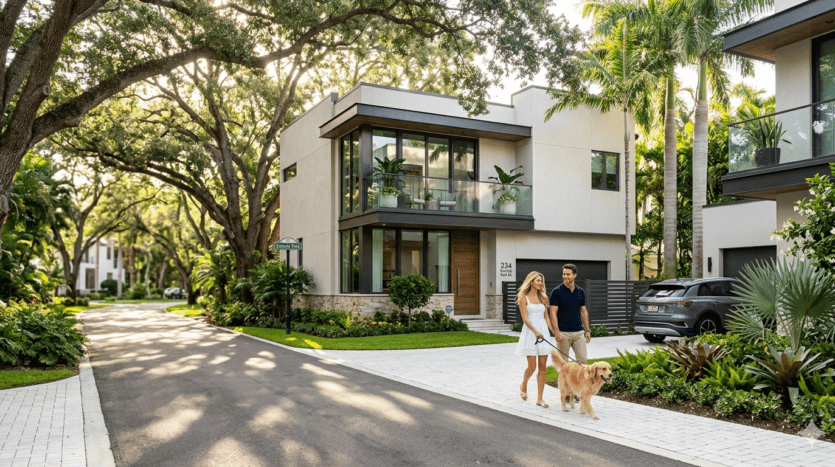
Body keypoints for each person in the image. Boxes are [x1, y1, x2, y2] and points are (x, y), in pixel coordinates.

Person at [514, 271, 557, 408]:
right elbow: (525, 319)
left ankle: (540, 399)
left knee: (543, 367)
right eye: (538, 280)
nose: (541, 283)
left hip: (543, 333)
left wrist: (554, 332)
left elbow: (546, 318)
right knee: (532, 367)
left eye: (541, 281)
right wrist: (535, 331)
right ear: (531, 281)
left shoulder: (543, 298)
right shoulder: (523, 298)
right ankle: (524, 384)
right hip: (530, 333)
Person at [550, 264, 591, 366]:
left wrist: (587, 330)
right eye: (564, 274)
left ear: (574, 275)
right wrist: (557, 333)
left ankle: (578, 382)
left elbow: (584, 311)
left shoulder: (580, 291)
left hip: (578, 332)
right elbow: (552, 313)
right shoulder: (556, 292)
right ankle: (564, 382)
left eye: (568, 274)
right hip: (563, 333)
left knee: (583, 360)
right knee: (563, 363)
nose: (565, 276)